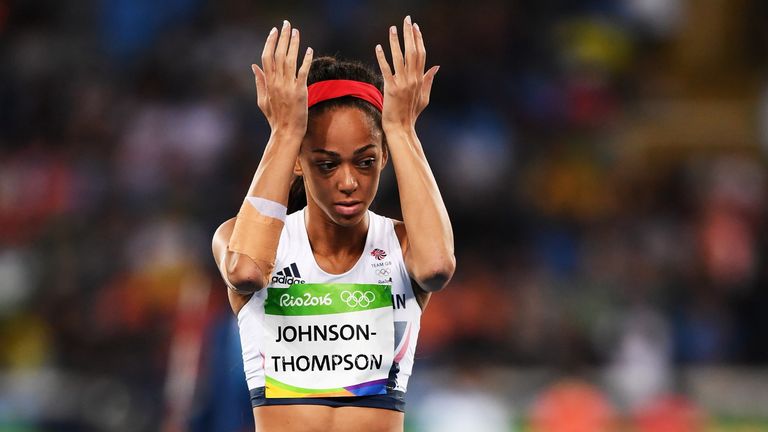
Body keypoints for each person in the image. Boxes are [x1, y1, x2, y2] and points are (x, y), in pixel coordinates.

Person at [212, 15, 455, 432]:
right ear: (300, 165)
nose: (348, 182)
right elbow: (247, 272)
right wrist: (285, 133)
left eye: (365, 162)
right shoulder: (239, 237)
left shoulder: (401, 245)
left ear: (383, 158)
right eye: (326, 164)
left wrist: (401, 128)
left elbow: (437, 267)